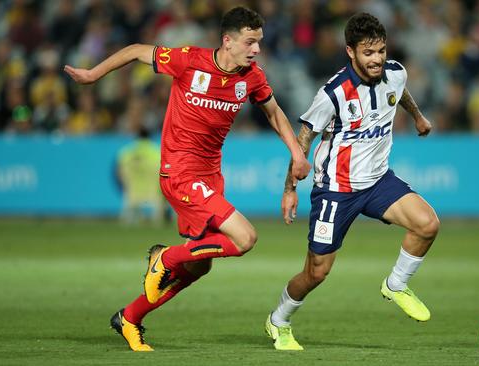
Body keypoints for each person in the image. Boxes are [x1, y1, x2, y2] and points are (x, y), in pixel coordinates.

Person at [65, 6, 310, 352]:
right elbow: (136, 50)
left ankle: (130, 318)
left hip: (211, 175)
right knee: (244, 238)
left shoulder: (251, 77)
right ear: (228, 40)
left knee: (199, 267)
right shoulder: (188, 60)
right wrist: (93, 75)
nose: (256, 50)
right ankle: (165, 258)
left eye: (259, 43)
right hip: (179, 171)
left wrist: (297, 153)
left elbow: (273, 111)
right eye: (250, 42)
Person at [265, 12, 440, 351]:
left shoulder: (395, 73)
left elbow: (400, 91)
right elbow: (304, 138)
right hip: (335, 190)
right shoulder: (332, 93)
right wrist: (289, 189)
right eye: (368, 53)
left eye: (381, 51)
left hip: (377, 182)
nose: (377, 60)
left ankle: (396, 283)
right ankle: (279, 320)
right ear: (350, 52)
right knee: (316, 273)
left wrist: (417, 116)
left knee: (428, 224)